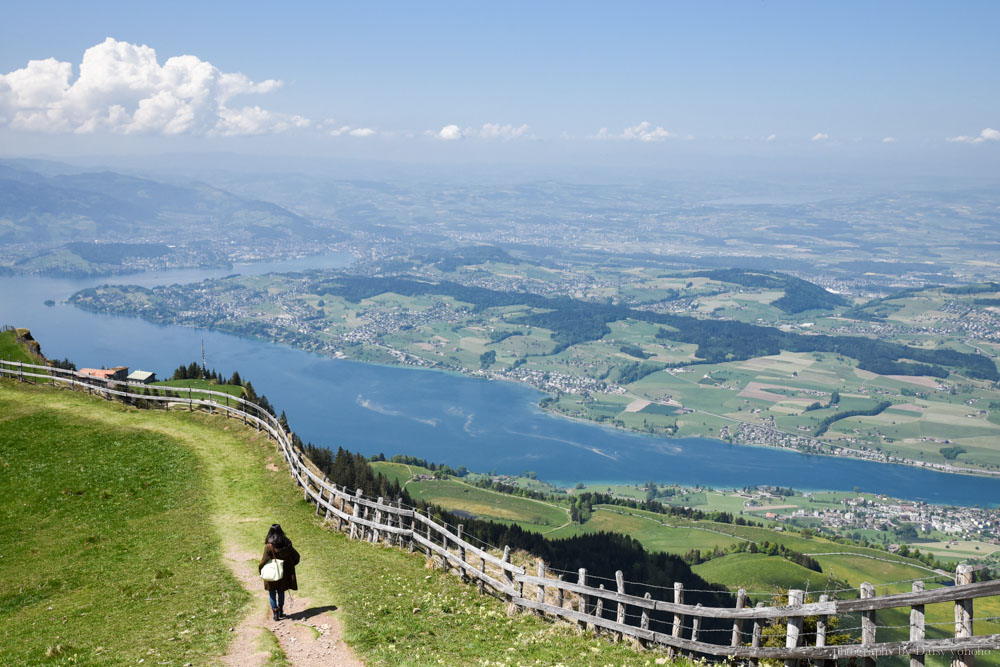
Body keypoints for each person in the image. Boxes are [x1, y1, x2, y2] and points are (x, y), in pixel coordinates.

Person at [258, 524, 300, 621]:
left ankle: (275, 613)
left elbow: (264, 561)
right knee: (281, 591)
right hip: (284, 574)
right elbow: (296, 557)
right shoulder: (287, 544)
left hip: (272, 573)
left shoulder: (269, 546)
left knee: (272, 592)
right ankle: (281, 610)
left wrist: (260, 569)